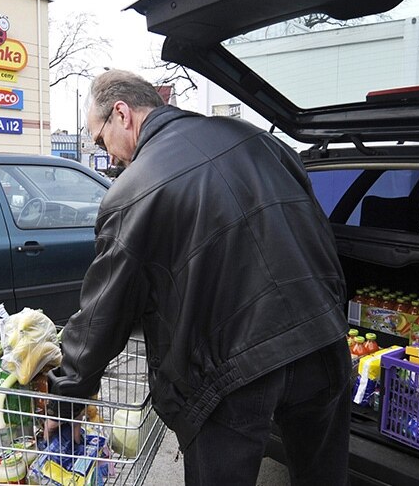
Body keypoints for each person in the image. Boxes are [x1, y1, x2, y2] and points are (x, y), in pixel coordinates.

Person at [48, 69, 351, 486]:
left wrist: (65, 400)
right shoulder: (258, 140)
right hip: (321, 338)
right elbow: (318, 230)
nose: (109, 155)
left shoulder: (134, 191)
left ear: (122, 114)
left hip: (232, 370)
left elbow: (104, 313)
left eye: (99, 139)